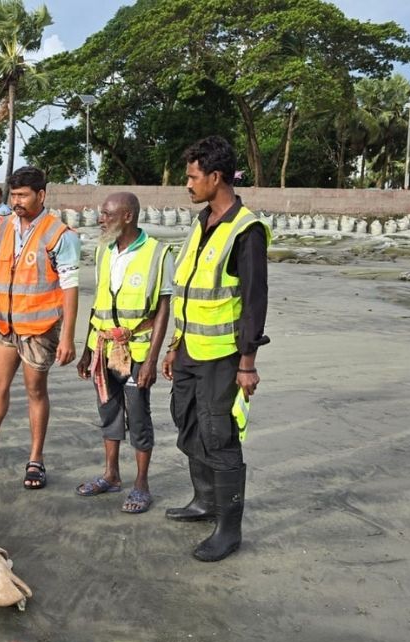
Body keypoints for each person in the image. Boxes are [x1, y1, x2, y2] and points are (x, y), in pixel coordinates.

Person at [160, 136, 270, 563]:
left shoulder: (246, 230)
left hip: (223, 356)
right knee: (186, 421)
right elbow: (187, 290)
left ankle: (229, 529)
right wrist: (175, 345)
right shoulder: (201, 221)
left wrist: (247, 364)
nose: (187, 184)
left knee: (218, 435)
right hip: (190, 349)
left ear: (216, 176)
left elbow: (254, 301)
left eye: (192, 176)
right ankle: (204, 500)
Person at [0, 166, 81, 490]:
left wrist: (67, 337)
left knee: (36, 391)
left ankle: (36, 460)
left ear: (41, 195)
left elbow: (70, 288)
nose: (16, 201)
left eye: (23, 195)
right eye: (14, 195)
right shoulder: (4, 226)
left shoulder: (59, 234)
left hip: (39, 328)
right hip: (6, 325)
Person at [75, 192, 172, 514]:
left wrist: (152, 360)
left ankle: (141, 484)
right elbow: (99, 302)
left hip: (137, 351)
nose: (100, 219)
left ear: (128, 216)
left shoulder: (157, 253)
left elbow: (163, 309)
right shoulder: (103, 250)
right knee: (108, 411)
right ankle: (111, 475)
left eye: (107, 214)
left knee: (139, 416)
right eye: (101, 213)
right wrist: (87, 350)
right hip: (103, 348)